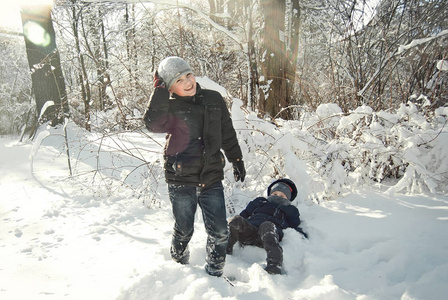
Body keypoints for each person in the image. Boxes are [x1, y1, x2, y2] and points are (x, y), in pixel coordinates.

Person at [143, 56, 246, 277]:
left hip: (211, 177)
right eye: (179, 80)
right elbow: (152, 123)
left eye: (189, 75)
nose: (188, 82)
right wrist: (159, 92)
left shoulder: (213, 99)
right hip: (181, 181)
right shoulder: (168, 106)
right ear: (170, 86)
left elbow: (227, 132)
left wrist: (236, 159)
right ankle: (179, 267)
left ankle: (214, 274)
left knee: (219, 232)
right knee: (184, 229)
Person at [226, 178, 308, 275]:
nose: (278, 197)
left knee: (267, 225)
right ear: (270, 193)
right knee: (236, 220)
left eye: (282, 196)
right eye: (275, 194)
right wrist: (237, 223)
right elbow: (244, 214)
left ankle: (274, 265)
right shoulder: (260, 202)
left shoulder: (289, 209)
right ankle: (224, 252)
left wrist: (301, 235)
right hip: (250, 231)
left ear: (288, 199)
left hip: (270, 234)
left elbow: (295, 224)